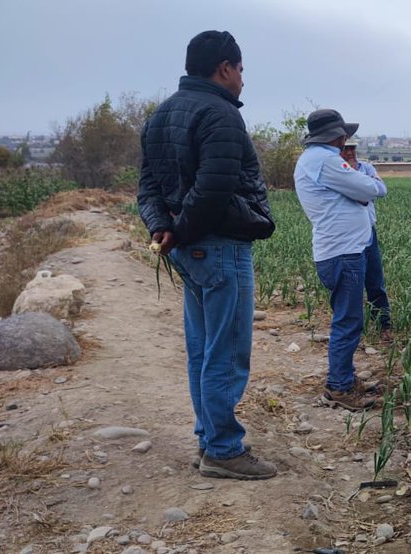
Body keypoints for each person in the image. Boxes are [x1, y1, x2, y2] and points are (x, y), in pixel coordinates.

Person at [137, 30, 277, 480]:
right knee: (227, 353)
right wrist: (181, 230)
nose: (241, 80)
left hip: (189, 252)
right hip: (219, 248)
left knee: (202, 350)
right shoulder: (220, 115)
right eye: (240, 70)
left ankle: (208, 439)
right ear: (224, 68)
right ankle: (223, 450)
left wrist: (164, 229)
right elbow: (214, 191)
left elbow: (148, 188)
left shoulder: (161, 115)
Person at [294, 109, 387, 411]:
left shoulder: (316, 159)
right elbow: (372, 189)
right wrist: (363, 184)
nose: (346, 139)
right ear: (336, 135)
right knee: (348, 321)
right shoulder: (325, 160)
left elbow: (363, 194)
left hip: (341, 249)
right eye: (344, 134)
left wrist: (359, 191)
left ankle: (344, 377)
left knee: (347, 318)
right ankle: (340, 387)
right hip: (342, 252)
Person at [339, 136, 393, 339]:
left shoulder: (367, 167)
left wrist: (361, 190)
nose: (350, 152)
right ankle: (352, 329)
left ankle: (383, 324)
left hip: (369, 230)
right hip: (349, 234)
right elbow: (363, 194)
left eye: (352, 148)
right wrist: (363, 189)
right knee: (350, 282)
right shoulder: (338, 171)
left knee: (375, 279)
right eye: (345, 148)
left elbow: (381, 190)